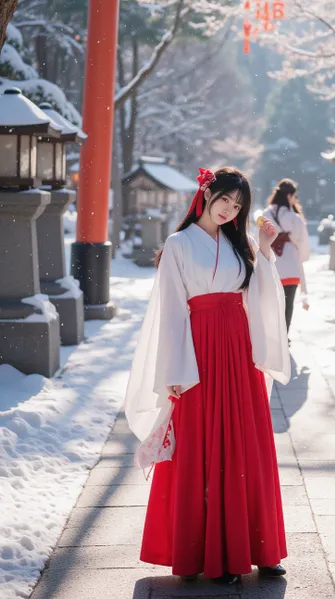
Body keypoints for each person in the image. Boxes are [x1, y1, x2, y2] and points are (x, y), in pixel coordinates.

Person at [125, 166, 290, 586]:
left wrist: (266, 250)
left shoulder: (242, 243)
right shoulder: (179, 244)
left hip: (237, 350)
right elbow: (171, 309)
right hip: (197, 348)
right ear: (206, 194)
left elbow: (259, 294)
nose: (229, 210)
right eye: (224, 200)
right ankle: (205, 551)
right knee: (201, 443)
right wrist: (175, 368)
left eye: (237, 205)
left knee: (246, 441)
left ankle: (258, 547)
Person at [263, 179, 310, 334]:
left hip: (271, 266)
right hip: (291, 267)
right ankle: (284, 335)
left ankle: (274, 334)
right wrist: (301, 258)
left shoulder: (265, 216)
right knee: (288, 304)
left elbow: (258, 241)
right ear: (289, 195)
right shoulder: (294, 218)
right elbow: (303, 243)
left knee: (273, 304)